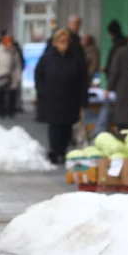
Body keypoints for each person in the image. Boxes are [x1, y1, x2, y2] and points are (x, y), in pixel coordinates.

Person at [35, 28, 88, 165]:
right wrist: (42, 92)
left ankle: (62, 151)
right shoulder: (47, 58)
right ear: (55, 42)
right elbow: (38, 75)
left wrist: (83, 99)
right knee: (54, 126)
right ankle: (54, 150)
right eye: (61, 41)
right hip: (52, 98)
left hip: (70, 98)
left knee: (67, 126)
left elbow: (83, 79)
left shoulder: (76, 59)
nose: (64, 43)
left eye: (66, 41)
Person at [0, 34, 22, 119]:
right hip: (0, 76)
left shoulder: (14, 52)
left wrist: (18, 77)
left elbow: (17, 66)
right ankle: (1, 111)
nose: (9, 44)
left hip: (11, 77)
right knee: (0, 94)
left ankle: (10, 111)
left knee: (12, 95)